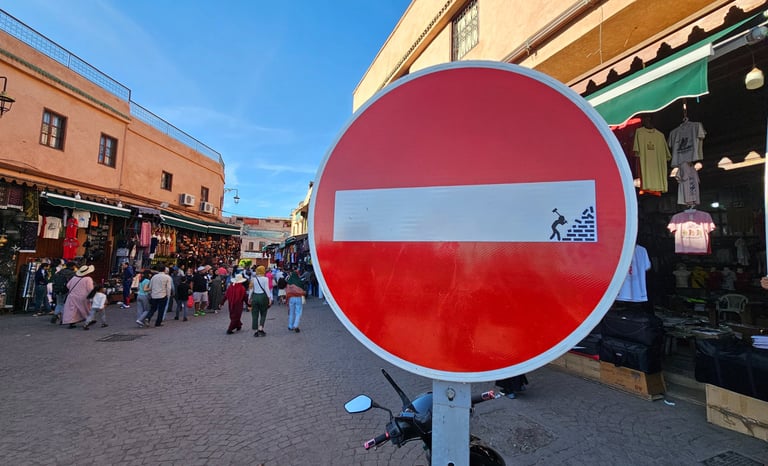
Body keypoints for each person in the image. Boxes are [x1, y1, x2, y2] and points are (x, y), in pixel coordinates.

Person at [248, 265, 272, 337]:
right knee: (263, 313)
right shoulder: (265, 279)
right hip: (263, 297)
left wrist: (249, 298)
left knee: (254, 314)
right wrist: (269, 298)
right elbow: (267, 289)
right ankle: (261, 328)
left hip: (255, 297)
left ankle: (256, 330)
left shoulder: (253, 279)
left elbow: (251, 290)